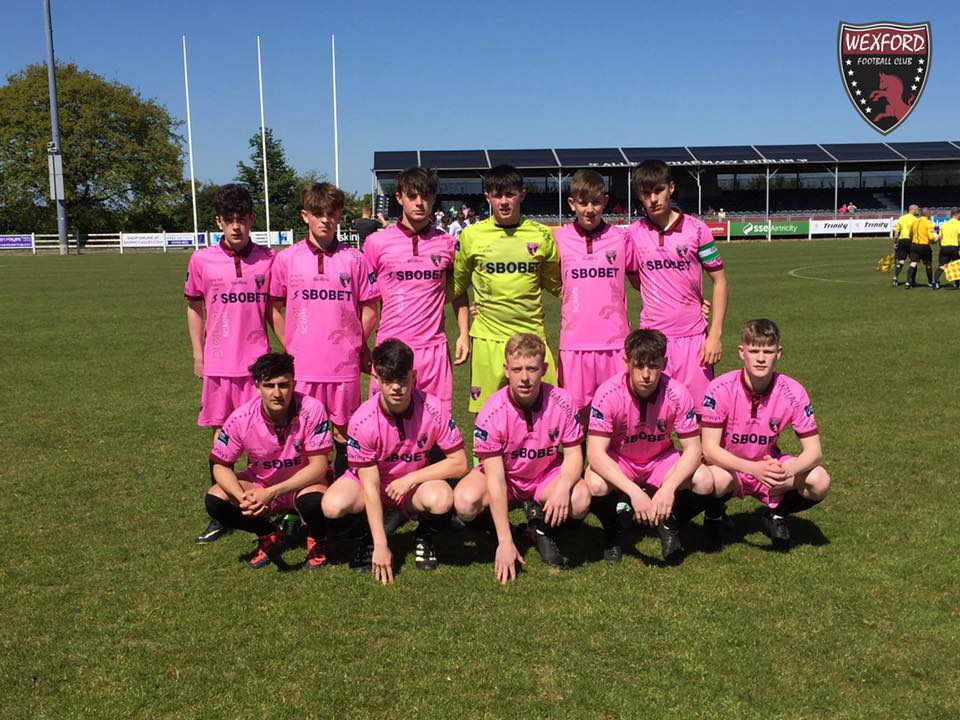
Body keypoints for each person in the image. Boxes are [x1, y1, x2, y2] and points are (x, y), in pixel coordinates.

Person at [322, 340, 468, 582]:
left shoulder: (433, 408)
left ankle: (424, 537)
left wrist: (410, 479)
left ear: (414, 376)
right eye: (388, 380)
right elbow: (370, 487)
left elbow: (460, 463)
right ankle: (367, 540)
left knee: (442, 498)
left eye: (402, 379)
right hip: (372, 485)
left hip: (411, 487)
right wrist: (381, 544)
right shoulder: (362, 420)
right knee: (333, 506)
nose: (396, 387)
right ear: (377, 379)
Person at [453, 334, 589, 582]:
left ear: (544, 369)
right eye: (517, 369)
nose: (524, 377)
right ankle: (508, 531)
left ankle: (541, 527)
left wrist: (564, 487)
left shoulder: (562, 401)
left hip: (544, 475)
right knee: (464, 502)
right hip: (506, 477)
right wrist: (505, 541)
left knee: (579, 499)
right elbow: (496, 480)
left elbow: (573, 455)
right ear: (506, 370)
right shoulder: (491, 412)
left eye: (532, 369)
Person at [267, 182, 378, 479]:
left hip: (343, 367)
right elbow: (273, 307)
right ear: (305, 216)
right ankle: (307, 494)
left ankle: (344, 492)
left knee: (345, 433)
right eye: (318, 213)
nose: (325, 220)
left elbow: (370, 309)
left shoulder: (355, 259)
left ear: (340, 215)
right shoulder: (286, 259)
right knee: (303, 434)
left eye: (331, 213)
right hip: (303, 368)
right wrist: (290, 345)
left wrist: (355, 343)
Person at [586, 329, 727, 563]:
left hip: (660, 459)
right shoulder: (607, 393)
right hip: (622, 459)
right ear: (626, 362)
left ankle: (669, 523)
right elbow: (595, 453)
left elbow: (693, 449)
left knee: (704, 481)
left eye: (653, 366)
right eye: (639, 366)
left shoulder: (677, 393)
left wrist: (669, 487)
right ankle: (613, 529)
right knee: (595, 484)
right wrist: (633, 491)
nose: (646, 375)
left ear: (665, 363)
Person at [185, 183, 275, 544]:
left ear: (252, 219)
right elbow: (194, 307)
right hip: (219, 366)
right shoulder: (201, 260)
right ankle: (220, 512)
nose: (236, 226)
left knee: (263, 438)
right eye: (229, 219)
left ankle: (267, 503)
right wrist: (198, 354)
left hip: (257, 368)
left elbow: (275, 311)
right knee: (221, 440)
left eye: (242, 218)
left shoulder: (268, 259)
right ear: (218, 221)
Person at [701, 319, 831, 551]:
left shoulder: (793, 391)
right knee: (716, 481)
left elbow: (814, 451)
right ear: (741, 352)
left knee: (819, 480)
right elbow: (709, 449)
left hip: (769, 468)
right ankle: (714, 516)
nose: (761, 358)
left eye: (768, 351)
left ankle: (776, 514)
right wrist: (753, 469)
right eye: (754, 351)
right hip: (730, 470)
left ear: (778, 353)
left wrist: (785, 472)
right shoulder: (720, 388)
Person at [204, 352, 333, 569]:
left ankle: (318, 538)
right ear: (257, 386)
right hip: (262, 483)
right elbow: (221, 465)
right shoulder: (241, 418)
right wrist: (241, 497)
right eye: (269, 385)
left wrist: (273, 493)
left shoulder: (312, 409)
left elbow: (319, 467)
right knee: (215, 500)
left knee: (313, 503)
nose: (277, 393)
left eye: (283, 385)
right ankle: (268, 533)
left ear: (294, 383)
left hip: (304, 484)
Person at [452, 165, 562, 417]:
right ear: (487, 197)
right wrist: (463, 334)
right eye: (497, 195)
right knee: (487, 419)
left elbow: (557, 285)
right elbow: (456, 286)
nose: (503, 201)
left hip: (532, 338)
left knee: (547, 416)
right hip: (488, 340)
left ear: (522, 195)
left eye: (510, 194)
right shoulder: (471, 236)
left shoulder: (541, 235)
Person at [362, 167, 469, 415]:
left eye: (426, 196)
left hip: (433, 349)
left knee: (436, 424)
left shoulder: (447, 243)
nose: (419, 202)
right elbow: (365, 301)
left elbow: (459, 292)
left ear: (433, 198)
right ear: (399, 197)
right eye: (412, 196)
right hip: (390, 348)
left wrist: (464, 334)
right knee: (385, 423)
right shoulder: (376, 243)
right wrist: (361, 344)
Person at [625, 160, 728, 411]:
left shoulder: (697, 229)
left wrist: (714, 336)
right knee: (651, 416)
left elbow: (720, 281)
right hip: (652, 341)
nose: (653, 199)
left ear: (671, 188)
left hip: (694, 341)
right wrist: (667, 293)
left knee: (701, 416)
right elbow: (638, 280)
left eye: (658, 190)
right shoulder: (633, 234)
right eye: (646, 193)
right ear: (639, 195)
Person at [552, 169, 637, 425]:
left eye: (596, 202)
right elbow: (533, 281)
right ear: (571, 203)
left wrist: (691, 302)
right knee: (575, 420)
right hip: (574, 344)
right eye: (583, 203)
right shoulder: (558, 239)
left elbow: (646, 281)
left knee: (618, 416)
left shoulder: (621, 239)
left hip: (615, 344)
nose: (589, 209)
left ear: (605, 201)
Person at [905, 207, 937, 289]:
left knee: (913, 263)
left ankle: (908, 282)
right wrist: (936, 238)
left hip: (914, 245)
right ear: (928, 214)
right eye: (930, 213)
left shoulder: (914, 222)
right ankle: (930, 282)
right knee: (928, 264)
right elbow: (931, 238)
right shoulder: (929, 223)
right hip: (924, 245)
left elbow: (910, 234)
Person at [892, 204, 919, 286]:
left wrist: (895, 243)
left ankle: (895, 277)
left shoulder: (901, 218)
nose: (917, 211)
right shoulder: (915, 220)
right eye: (917, 209)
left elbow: (896, 233)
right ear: (913, 210)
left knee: (901, 260)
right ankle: (912, 280)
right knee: (913, 260)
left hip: (902, 240)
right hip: (911, 241)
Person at [934, 207, 960, 289]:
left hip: (944, 248)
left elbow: (939, 237)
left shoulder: (944, 224)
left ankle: (935, 282)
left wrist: (941, 246)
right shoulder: (958, 224)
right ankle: (957, 284)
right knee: (956, 266)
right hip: (954, 247)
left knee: (941, 266)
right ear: (958, 214)